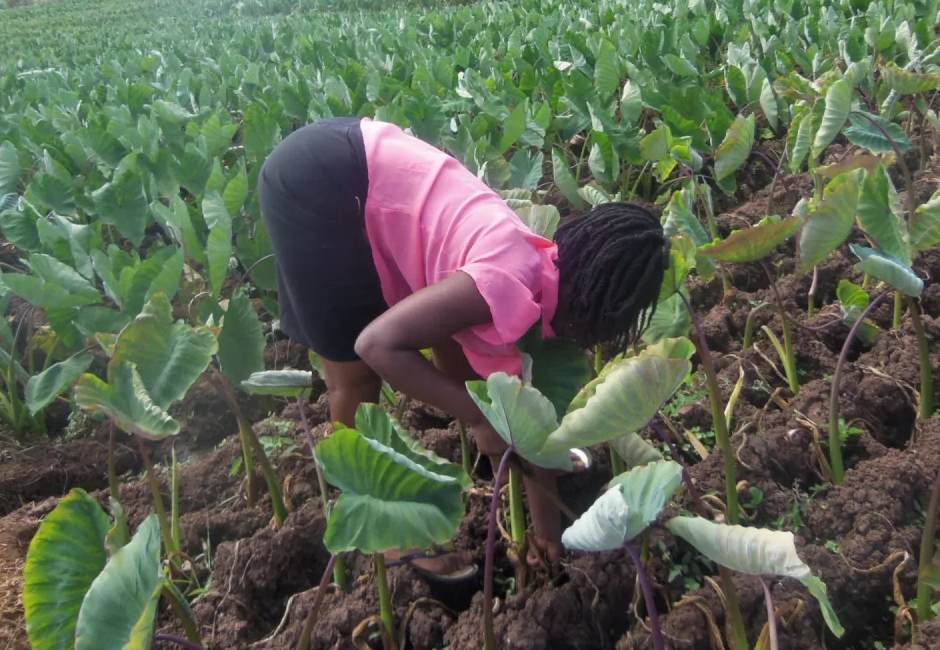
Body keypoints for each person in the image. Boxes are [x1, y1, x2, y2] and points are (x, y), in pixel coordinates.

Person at [257, 117, 667, 582]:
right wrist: (478, 417)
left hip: (366, 166)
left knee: (459, 347)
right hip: (322, 185)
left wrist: (547, 533)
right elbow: (377, 345)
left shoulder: (546, 275)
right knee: (355, 376)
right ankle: (390, 536)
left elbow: (512, 394)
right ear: (597, 308)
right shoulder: (506, 278)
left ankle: (481, 452)